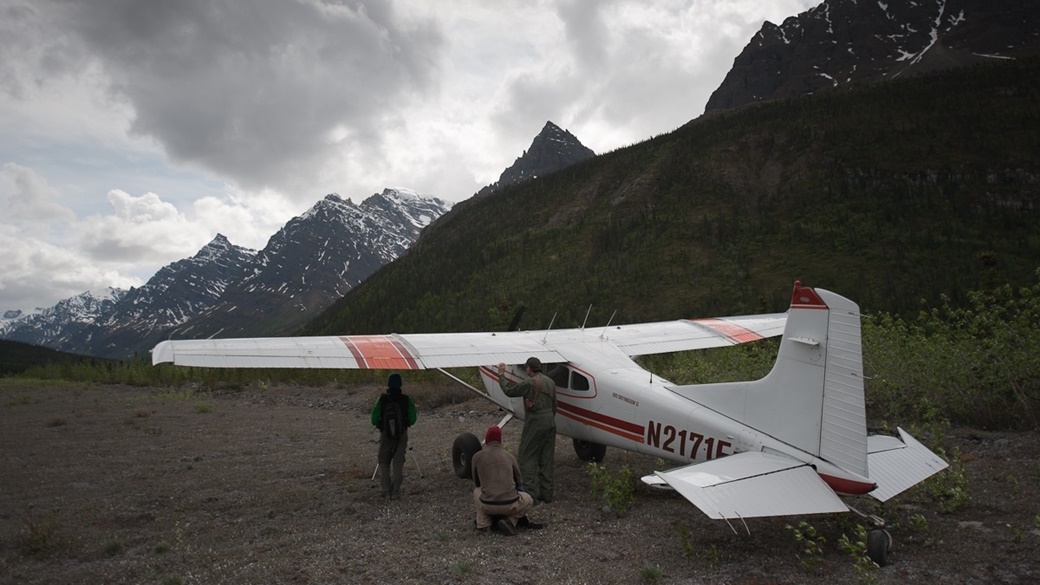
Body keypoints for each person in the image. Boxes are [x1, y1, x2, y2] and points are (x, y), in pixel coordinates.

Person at [497, 356, 557, 504]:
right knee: (546, 459)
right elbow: (555, 405)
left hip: (536, 421)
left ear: (529, 368)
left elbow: (509, 391)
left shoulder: (530, 383)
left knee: (527, 457)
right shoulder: (550, 382)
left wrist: (501, 375)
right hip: (550, 421)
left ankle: (530, 496)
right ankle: (547, 495)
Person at [471, 425, 543, 535]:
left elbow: (476, 482)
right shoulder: (509, 456)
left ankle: (484, 525)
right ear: (500, 440)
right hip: (510, 505)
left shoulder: (476, 457)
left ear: (487, 440)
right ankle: (509, 521)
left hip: (488, 504)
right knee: (528, 499)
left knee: (477, 491)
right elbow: (519, 482)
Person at [369, 372, 417, 500]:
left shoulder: (382, 399)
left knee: (384, 461)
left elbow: (373, 419)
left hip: (386, 435)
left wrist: (382, 425)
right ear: (400, 384)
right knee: (398, 463)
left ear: (388, 384)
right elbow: (413, 419)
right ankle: (396, 492)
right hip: (401, 434)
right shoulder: (406, 399)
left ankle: (386, 491)